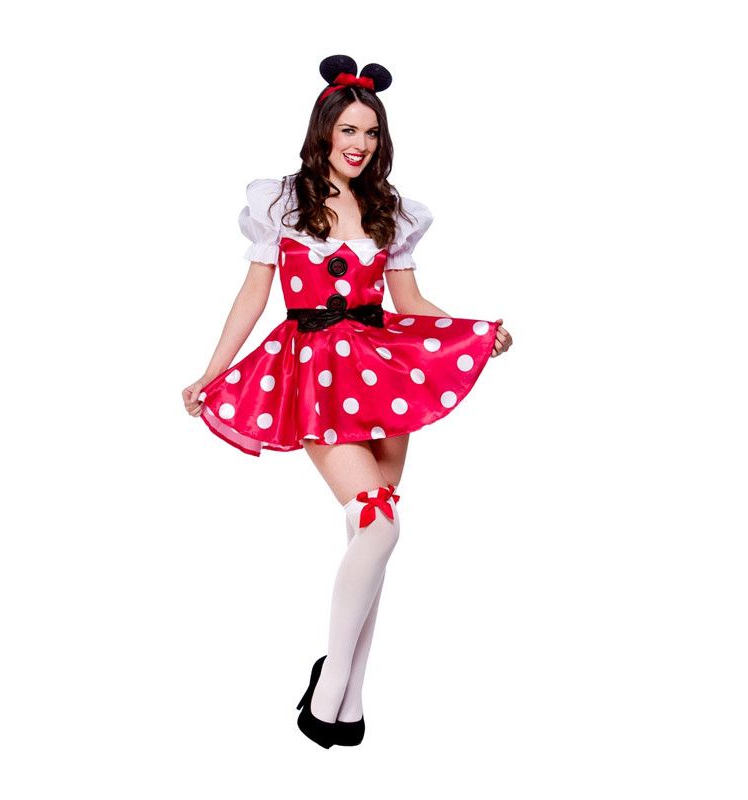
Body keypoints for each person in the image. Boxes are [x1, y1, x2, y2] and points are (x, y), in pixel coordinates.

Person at [182, 54, 513, 748]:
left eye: (371, 132)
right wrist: (214, 371)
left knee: (370, 538)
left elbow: (410, 303)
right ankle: (331, 680)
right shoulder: (282, 202)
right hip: (315, 376)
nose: (360, 144)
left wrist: (476, 333)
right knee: (378, 523)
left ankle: (352, 697)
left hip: (383, 373)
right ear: (325, 132)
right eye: (349, 130)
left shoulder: (391, 211)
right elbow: (253, 295)